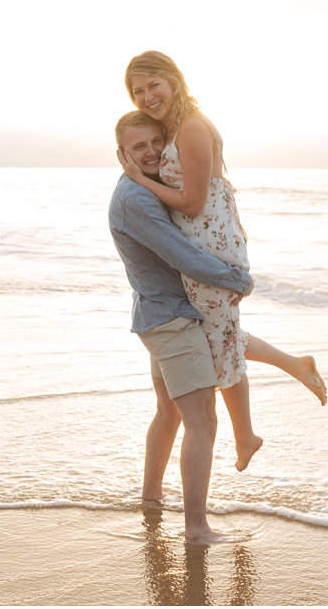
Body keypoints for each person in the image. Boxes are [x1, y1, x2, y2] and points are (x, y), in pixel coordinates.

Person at [118, 51, 327, 470]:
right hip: (204, 245)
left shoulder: (192, 127)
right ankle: (290, 368)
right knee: (220, 334)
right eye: (137, 91)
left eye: (153, 85)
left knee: (218, 339)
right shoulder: (174, 126)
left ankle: (246, 434)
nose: (146, 96)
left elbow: (193, 204)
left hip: (210, 247)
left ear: (173, 81)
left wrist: (140, 180)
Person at [109, 110, 254, 544]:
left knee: (169, 413)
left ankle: (151, 497)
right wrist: (238, 279)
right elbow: (182, 255)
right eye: (139, 147)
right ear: (122, 154)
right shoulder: (135, 199)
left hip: (157, 314)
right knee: (202, 420)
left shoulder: (139, 188)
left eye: (156, 142)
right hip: (172, 319)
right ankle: (196, 528)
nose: (151, 151)